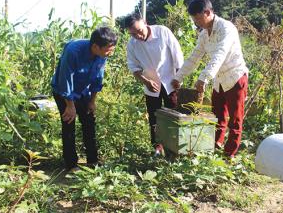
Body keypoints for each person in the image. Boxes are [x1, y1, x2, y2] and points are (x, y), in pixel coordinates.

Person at [172, 0, 248, 158]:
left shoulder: (226, 28)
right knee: (217, 116)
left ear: (208, 12)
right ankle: (214, 147)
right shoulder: (204, 35)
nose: (197, 23)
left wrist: (203, 78)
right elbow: (194, 57)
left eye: (198, 19)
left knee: (235, 120)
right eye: (194, 20)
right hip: (219, 80)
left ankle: (229, 156)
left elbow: (219, 55)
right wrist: (178, 77)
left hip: (235, 77)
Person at [51, 27, 118, 170]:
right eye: (108, 50)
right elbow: (65, 79)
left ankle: (92, 161)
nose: (110, 53)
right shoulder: (73, 51)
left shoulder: (102, 55)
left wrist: (92, 101)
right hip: (63, 91)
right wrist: (70, 105)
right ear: (95, 46)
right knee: (69, 123)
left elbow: (97, 78)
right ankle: (71, 164)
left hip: (83, 91)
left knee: (89, 121)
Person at [125, 13, 184, 153]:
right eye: (133, 34)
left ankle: (175, 148)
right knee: (154, 117)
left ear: (145, 22)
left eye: (139, 31)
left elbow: (177, 55)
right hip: (150, 85)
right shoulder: (132, 44)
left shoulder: (162, 32)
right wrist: (146, 81)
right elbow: (133, 67)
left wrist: (179, 77)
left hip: (171, 82)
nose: (138, 36)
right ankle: (157, 148)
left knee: (174, 115)